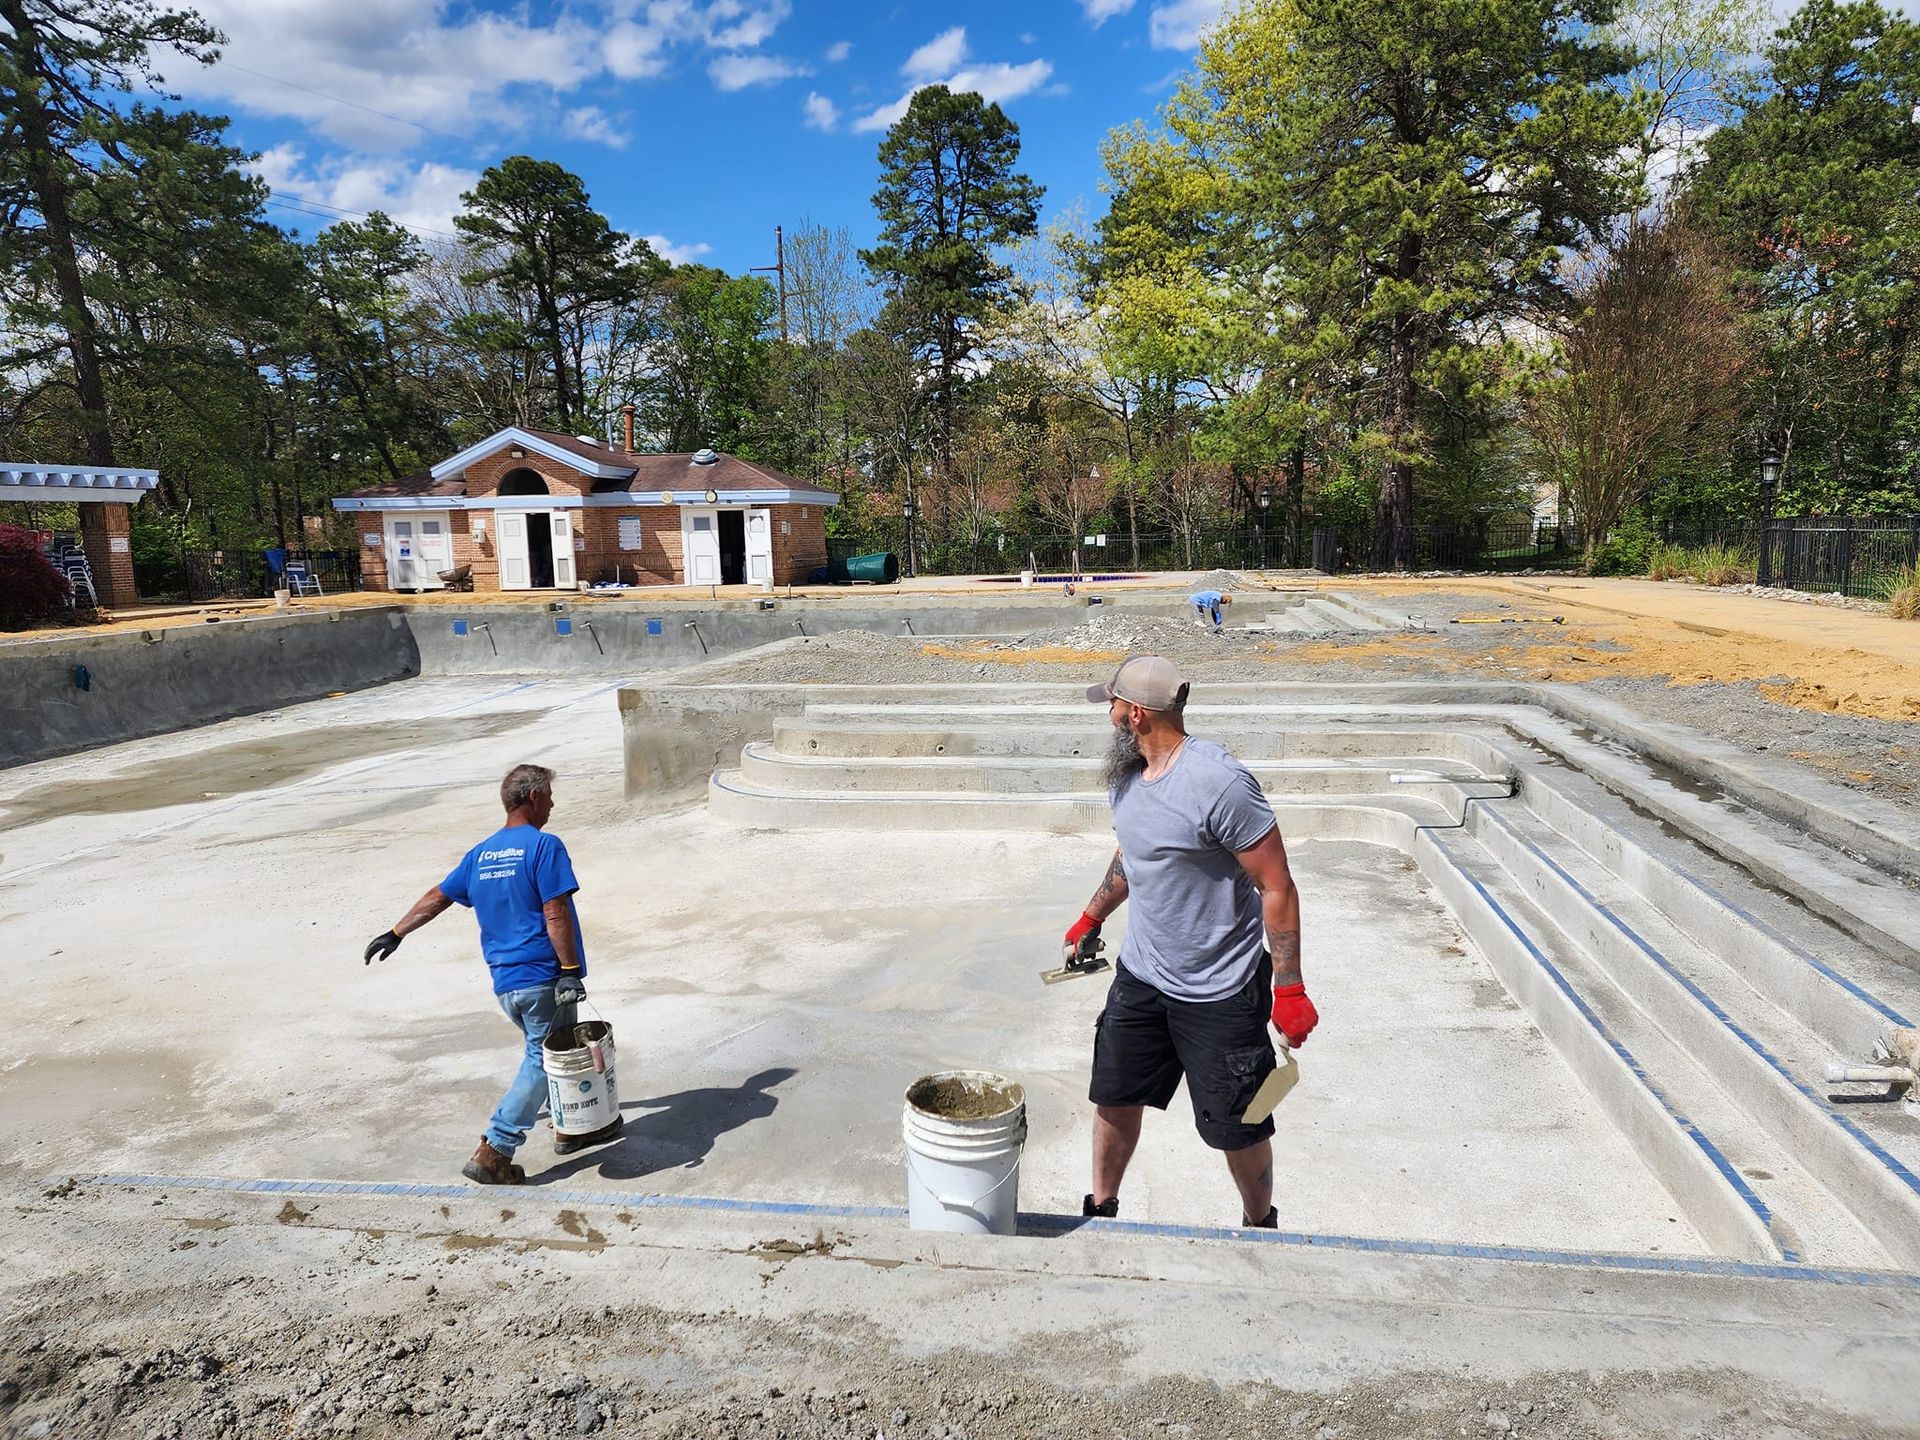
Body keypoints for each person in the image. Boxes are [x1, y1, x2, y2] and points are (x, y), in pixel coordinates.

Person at [1064, 655, 1318, 1226]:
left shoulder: (1219, 783)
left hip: (1220, 991)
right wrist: (1091, 917)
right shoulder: (1127, 780)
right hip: (1143, 977)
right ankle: (1101, 1206)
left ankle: (1259, 1223)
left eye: (1111, 704)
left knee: (1240, 1122)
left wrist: (1291, 988)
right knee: (1114, 1095)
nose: (1106, 713)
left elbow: (1276, 885)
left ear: (1134, 714)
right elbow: (1135, 855)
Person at [362, 763, 610, 1185]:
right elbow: (555, 911)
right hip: (543, 978)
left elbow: (438, 896)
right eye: (549, 795)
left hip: (506, 984)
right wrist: (569, 970)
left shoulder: (481, 854)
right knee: (542, 1059)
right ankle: (496, 1147)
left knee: (546, 1055)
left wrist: (395, 931)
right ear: (533, 797)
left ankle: (572, 1127)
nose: (552, 803)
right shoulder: (544, 846)